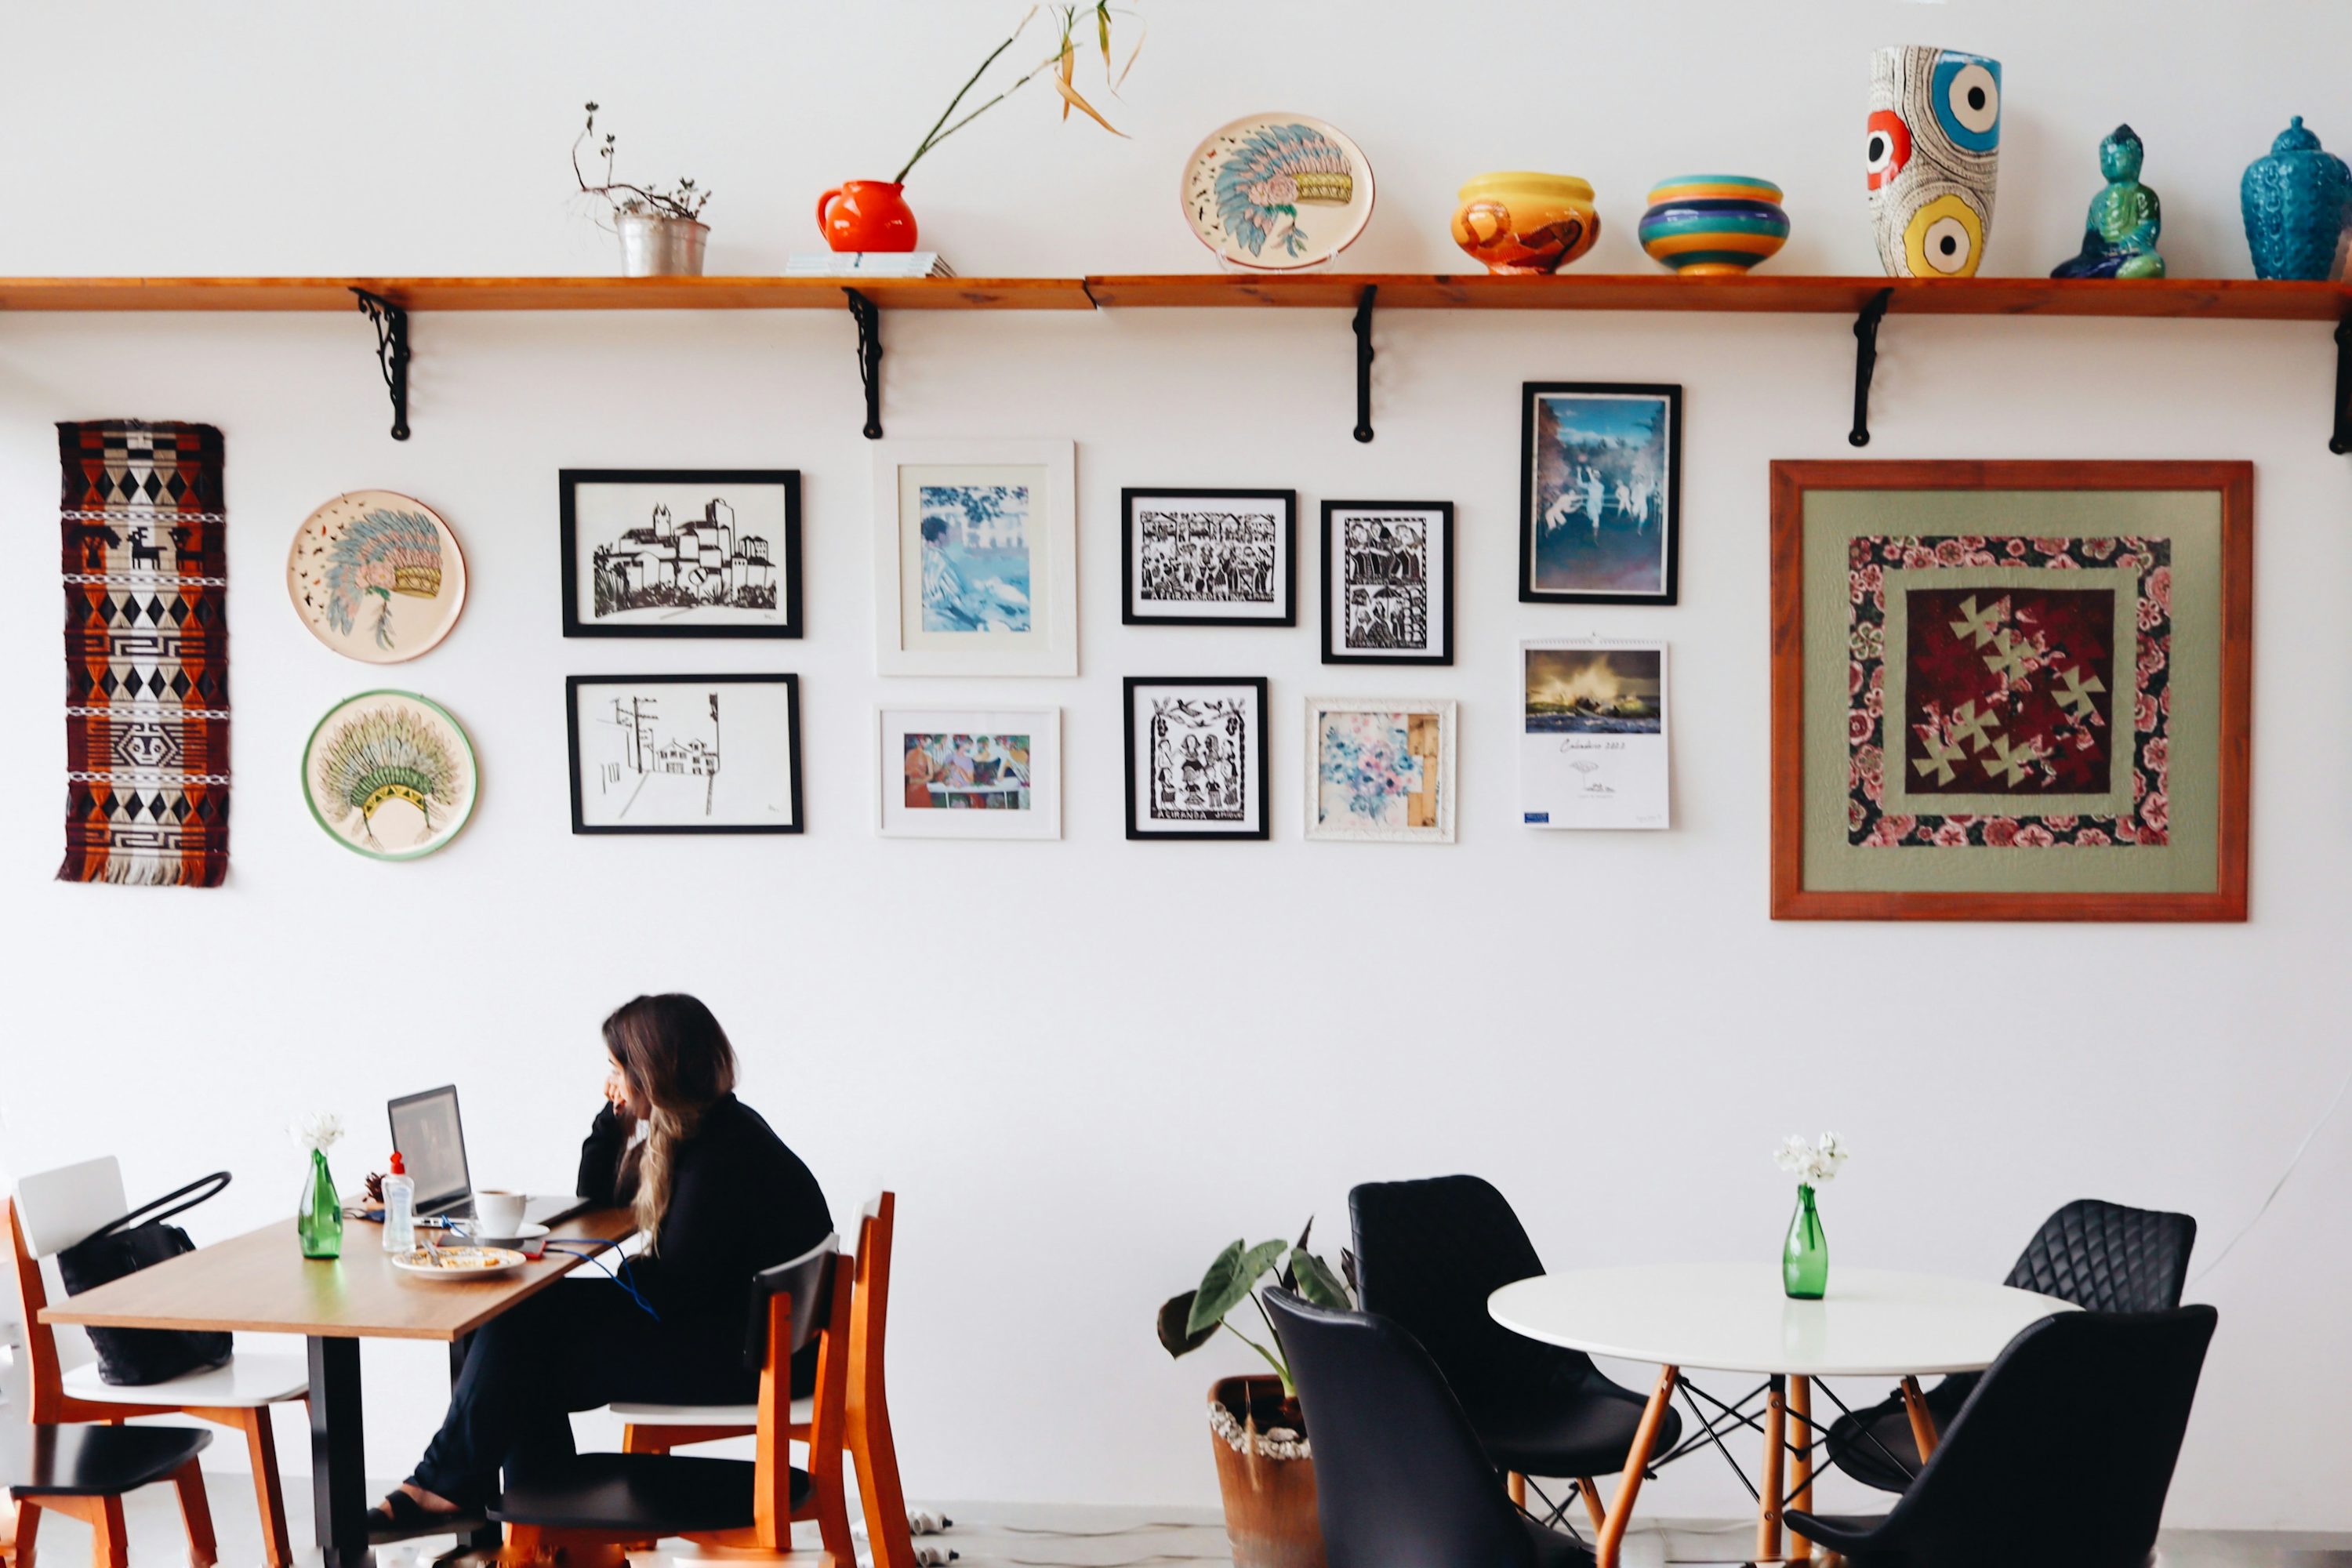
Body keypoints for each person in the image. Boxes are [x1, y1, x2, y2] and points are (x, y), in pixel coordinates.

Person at [367, 994, 831, 1540]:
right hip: (747, 1337)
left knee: (514, 1342)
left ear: (652, 1074)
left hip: (748, 1357)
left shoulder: (718, 1159)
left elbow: (668, 1292)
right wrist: (612, 1124)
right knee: (514, 1321)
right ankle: (528, 1520)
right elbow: (600, 1200)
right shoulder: (711, 1127)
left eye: (616, 1069)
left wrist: (569, 1287)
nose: (609, 1082)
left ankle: (461, 1494)